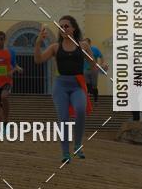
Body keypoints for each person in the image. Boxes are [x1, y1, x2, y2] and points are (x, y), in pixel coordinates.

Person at [34, 16, 96, 163]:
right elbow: (38, 60)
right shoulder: (55, 47)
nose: (63, 29)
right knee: (63, 118)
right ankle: (65, 153)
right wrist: (38, 43)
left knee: (80, 110)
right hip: (61, 85)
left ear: (74, 28)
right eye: (61, 27)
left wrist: (100, 68)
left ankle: (77, 145)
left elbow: (92, 64)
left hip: (77, 85)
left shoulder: (84, 46)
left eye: (66, 26)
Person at [0, 30, 21, 122]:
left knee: (4, 97)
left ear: (4, 40)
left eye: (1, 39)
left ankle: (6, 120)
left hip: (6, 81)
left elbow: (14, 65)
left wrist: (14, 70)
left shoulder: (10, 52)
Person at [83, 38, 107, 103]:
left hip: (94, 70)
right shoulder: (82, 50)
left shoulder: (95, 49)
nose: (85, 44)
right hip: (85, 70)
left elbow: (101, 56)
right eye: (84, 43)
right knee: (87, 83)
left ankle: (95, 100)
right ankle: (88, 95)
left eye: (86, 43)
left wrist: (102, 63)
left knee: (94, 85)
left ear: (89, 43)